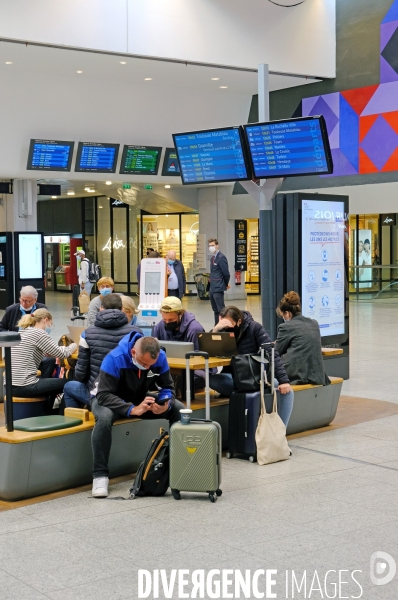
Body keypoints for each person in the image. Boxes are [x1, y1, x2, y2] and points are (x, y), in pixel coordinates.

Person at [91, 334, 184, 497]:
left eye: (150, 365)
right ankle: (100, 476)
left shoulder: (160, 358)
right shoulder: (114, 358)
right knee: (104, 418)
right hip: (108, 399)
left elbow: (168, 387)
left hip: (138, 398)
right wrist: (132, 409)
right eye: (142, 363)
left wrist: (164, 404)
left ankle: (176, 466)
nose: (146, 367)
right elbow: (103, 395)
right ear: (133, 352)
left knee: (178, 408)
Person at [208, 306, 294, 427]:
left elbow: (271, 352)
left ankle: (281, 431)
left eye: (230, 325)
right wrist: (216, 329)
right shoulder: (222, 330)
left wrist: (283, 380)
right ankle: (242, 392)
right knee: (211, 380)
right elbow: (209, 351)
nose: (228, 328)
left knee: (288, 392)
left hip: (255, 378)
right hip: (234, 378)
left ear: (239, 321)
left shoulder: (254, 327)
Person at [63, 294, 138, 410]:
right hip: (129, 394)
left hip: (100, 393)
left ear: (101, 309)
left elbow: (80, 374)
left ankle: (78, 423)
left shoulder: (87, 334)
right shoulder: (136, 333)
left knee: (69, 386)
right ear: (121, 309)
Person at [10, 309, 77, 409]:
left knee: (49, 362)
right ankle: (62, 415)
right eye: (51, 324)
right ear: (46, 320)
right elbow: (63, 353)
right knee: (68, 383)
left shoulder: (22, 332)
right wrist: (76, 344)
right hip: (24, 385)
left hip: (10, 384)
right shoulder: (39, 333)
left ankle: (47, 409)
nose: (50, 327)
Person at [275, 291, 330, 386]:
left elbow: (276, 351)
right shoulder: (314, 323)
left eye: (283, 315)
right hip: (316, 374)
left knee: (269, 370)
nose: (283, 318)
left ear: (287, 313)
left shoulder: (285, 327)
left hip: (296, 374)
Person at [0, 286, 55, 379]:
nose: (24, 303)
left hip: (36, 350)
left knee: (50, 360)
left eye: (28, 301)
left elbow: (47, 328)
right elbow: (1, 327)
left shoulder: (42, 309)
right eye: (22, 300)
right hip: (17, 350)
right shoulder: (11, 310)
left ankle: (42, 384)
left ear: (35, 300)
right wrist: (13, 337)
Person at [153, 296, 206, 389]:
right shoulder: (159, 326)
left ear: (180, 314)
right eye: (164, 320)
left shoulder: (194, 329)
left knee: (186, 382)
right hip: (168, 369)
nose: (167, 322)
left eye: (171, 320)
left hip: (193, 371)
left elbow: (199, 361)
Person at [208, 238, 230, 325]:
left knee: (221, 310)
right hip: (212, 288)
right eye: (209, 246)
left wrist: (225, 284)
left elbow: (226, 273)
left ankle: (224, 326)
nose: (211, 247)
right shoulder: (212, 258)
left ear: (217, 246)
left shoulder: (221, 258)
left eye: (212, 245)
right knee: (215, 309)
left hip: (218, 288)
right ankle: (217, 326)